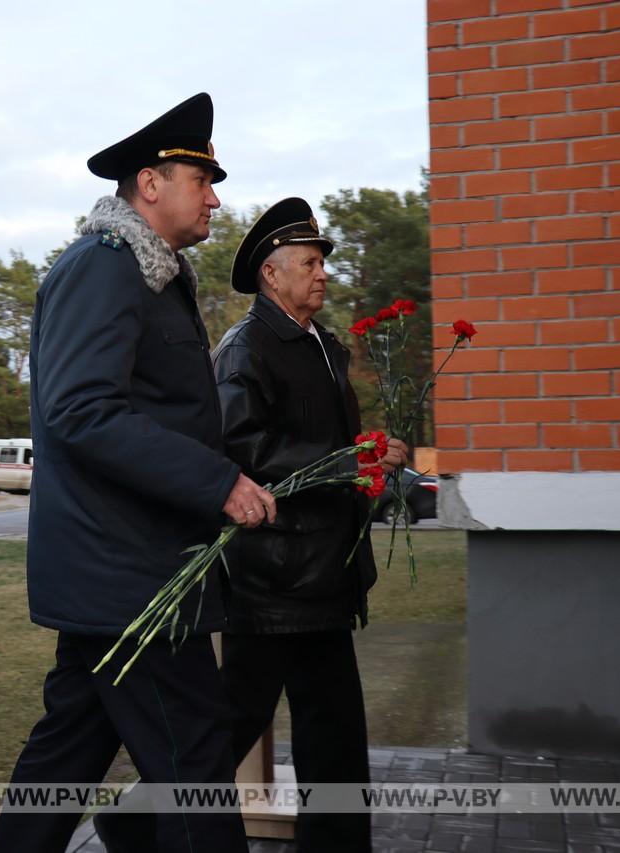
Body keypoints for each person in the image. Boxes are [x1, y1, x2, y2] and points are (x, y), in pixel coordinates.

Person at [0, 93, 277, 853]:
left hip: (119, 574)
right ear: (150, 183)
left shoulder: (146, 273)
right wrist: (216, 482)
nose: (215, 197)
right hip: (131, 578)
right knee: (194, 763)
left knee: (67, 751)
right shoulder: (105, 268)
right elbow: (81, 410)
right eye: (201, 179)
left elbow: (162, 410)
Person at [212, 197, 407, 852]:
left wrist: (371, 458)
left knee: (336, 743)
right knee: (226, 731)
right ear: (273, 273)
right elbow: (245, 452)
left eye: (323, 261)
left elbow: (329, 444)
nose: (323, 273)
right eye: (311, 262)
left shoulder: (322, 344)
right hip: (271, 581)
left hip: (325, 577)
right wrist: (349, 462)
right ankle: (138, 825)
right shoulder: (245, 349)